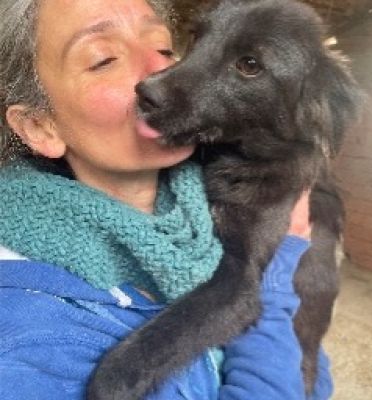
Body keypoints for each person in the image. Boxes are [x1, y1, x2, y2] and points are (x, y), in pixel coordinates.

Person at [0, 0, 333, 399]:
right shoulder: (33, 341)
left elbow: (314, 379)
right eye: (104, 59)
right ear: (39, 126)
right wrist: (280, 272)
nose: (161, 72)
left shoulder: (212, 183)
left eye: (164, 47)